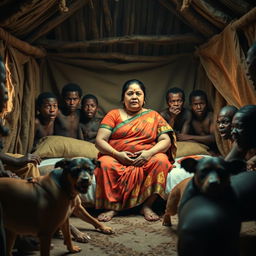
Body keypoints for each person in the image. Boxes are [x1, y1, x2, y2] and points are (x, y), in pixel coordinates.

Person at [94, 79, 177, 222]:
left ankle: (147, 206)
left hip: (145, 158)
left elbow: (166, 140)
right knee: (104, 163)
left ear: (144, 99)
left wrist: (149, 153)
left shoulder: (153, 116)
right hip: (117, 157)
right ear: (123, 98)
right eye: (130, 93)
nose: (134, 97)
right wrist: (117, 155)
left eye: (138, 93)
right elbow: (100, 140)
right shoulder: (113, 114)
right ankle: (113, 207)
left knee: (161, 160)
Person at [225, 105, 256, 171]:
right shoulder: (240, 143)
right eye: (232, 127)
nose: (233, 132)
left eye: (239, 127)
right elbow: (225, 167)